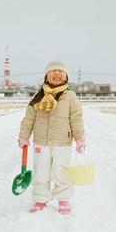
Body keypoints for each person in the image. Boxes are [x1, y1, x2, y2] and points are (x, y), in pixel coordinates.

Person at [18, 60, 86, 214]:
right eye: (52, 71)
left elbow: (76, 118)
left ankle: (63, 199)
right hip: (41, 142)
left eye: (60, 71)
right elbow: (29, 118)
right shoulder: (38, 96)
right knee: (40, 172)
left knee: (61, 172)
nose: (57, 73)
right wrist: (23, 136)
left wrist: (80, 138)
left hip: (63, 142)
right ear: (46, 77)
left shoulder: (70, 96)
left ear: (66, 77)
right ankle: (40, 199)